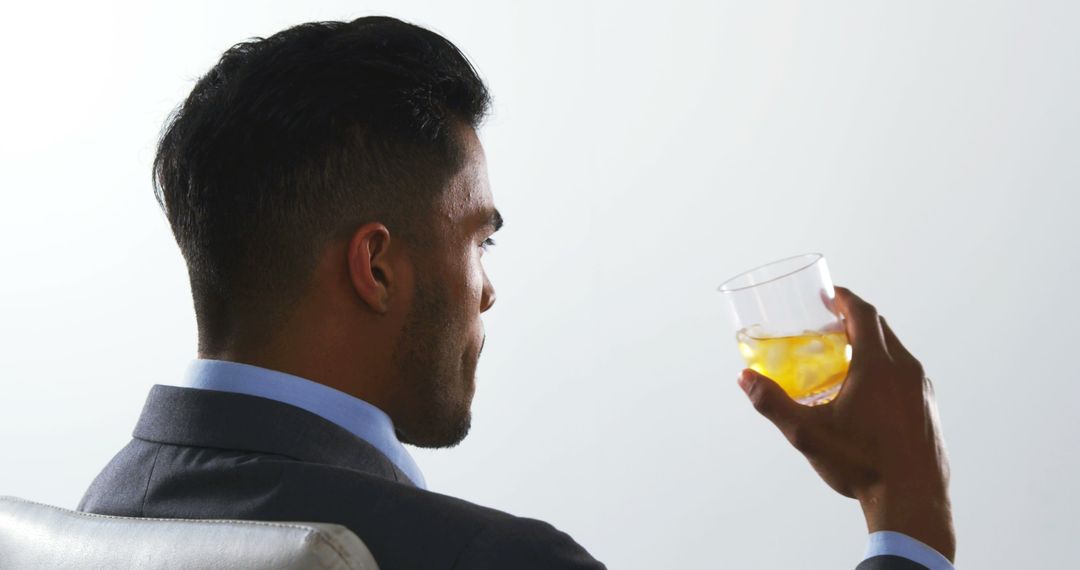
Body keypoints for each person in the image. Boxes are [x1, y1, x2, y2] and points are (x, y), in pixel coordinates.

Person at [79, 16, 955, 569]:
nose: (487, 293)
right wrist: (906, 509)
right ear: (376, 267)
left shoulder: (100, 514)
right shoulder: (489, 560)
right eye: (479, 241)